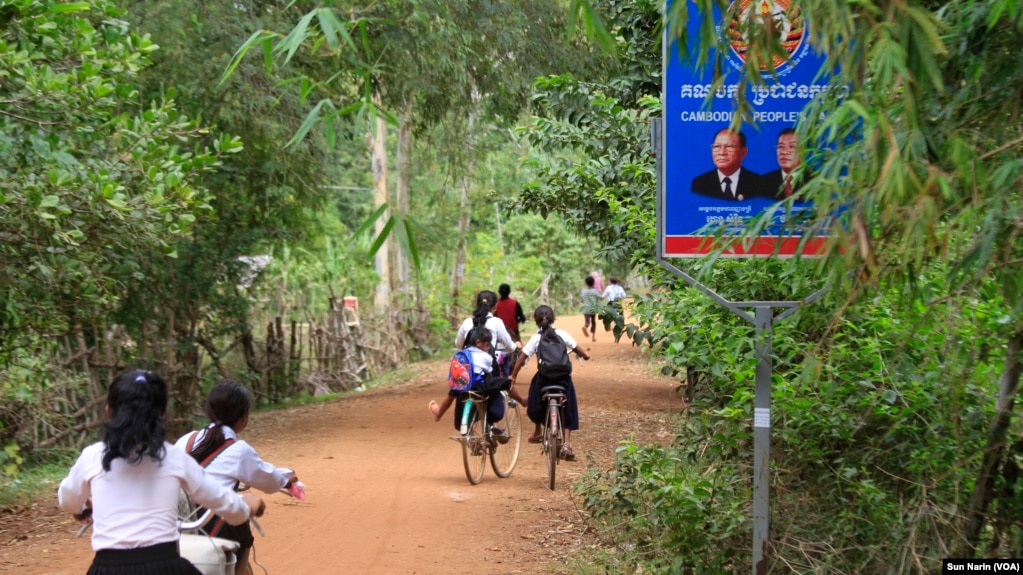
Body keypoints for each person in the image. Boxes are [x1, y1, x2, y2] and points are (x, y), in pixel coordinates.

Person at [58, 370, 264, 575]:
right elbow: (222, 502)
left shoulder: (91, 457)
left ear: (109, 410)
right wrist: (246, 506)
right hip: (165, 567)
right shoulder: (174, 457)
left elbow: (68, 500)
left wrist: (82, 507)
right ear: (163, 413)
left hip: (107, 568)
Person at [175, 380, 298, 575]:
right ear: (242, 418)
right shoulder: (239, 450)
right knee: (241, 523)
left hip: (179, 525)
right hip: (211, 526)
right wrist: (287, 477)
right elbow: (269, 480)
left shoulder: (186, 439)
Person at [509, 305, 590, 461]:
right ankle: (567, 444)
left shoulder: (536, 338)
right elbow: (578, 350)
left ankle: (538, 429)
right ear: (553, 319)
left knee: (535, 391)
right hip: (563, 379)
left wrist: (513, 376)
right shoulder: (562, 334)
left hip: (544, 379)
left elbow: (521, 358)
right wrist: (585, 355)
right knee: (570, 403)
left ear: (536, 321)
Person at [429, 326, 510, 441]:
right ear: (478, 343)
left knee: (452, 393)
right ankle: (495, 425)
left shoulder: (461, 354)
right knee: (498, 385)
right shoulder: (486, 356)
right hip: (478, 386)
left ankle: (439, 413)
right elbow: (489, 371)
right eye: (487, 345)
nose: (488, 349)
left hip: (462, 386)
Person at [454, 290, 526, 403]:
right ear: (495, 307)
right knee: (502, 369)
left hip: (465, 368)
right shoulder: (496, 322)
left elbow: (459, 344)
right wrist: (516, 345)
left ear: (477, 305)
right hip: (487, 370)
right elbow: (510, 347)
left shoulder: (467, 322)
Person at [690, 127, 763, 201]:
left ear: (743, 152)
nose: (721, 153)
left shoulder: (758, 183)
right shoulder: (700, 183)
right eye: (717, 146)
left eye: (729, 146)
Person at [761, 127, 808, 201]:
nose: (784, 152)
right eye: (780, 147)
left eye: (792, 147)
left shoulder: (815, 181)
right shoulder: (764, 182)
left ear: (805, 152)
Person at [580, 276, 601, 342]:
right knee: (593, 322)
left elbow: (582, 298)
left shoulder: (584, 291)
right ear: (593, 283)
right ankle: (593, 337)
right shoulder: (595, 291)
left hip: (585, 308)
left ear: (586, 283)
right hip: (592, 308)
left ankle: (585, 326)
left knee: (587, 321)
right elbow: (600, 297)